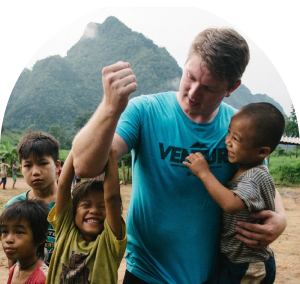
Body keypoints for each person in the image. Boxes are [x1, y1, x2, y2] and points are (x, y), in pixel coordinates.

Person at [72, 27, 287, 283]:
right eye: (190, 76)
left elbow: (261, 178)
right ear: (184, 65)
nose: (194, 93)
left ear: (232, 88)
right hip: (145, 273)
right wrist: (109, 108)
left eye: (208, 88)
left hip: (213, 274)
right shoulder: (144, 112)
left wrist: (281, 220)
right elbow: (85, 166)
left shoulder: (239, 129)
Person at [183, 103, 285, 283]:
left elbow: (232, 205)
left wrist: (204, 173)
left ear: (262, 152)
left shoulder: (256, 175)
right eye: (229, 132)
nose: (227, 141)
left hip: (249, 265)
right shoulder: (243, 168)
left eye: (236, 139)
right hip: (235, 261)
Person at [46, 147, 126, 284]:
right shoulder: (65, 230)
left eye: (102, 206)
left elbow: (112, 199)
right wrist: (77, 147)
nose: (94, 211)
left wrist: (111, 152)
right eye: (86, 205)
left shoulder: (110, 243)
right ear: (73, 212)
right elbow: (63, 186)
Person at [4, 131, 60, 268]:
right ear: (21, 168)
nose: (35, 172)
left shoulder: (73, 203)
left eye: (43, 163)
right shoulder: (13, 206)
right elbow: (12, 255)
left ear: (57, 166)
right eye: (28, 165)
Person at [1, 199, 49, 284]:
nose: (8, 240)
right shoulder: (15, 268)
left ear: (40, 239)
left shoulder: (43, 279)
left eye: (19, 232)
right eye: (5, 231)